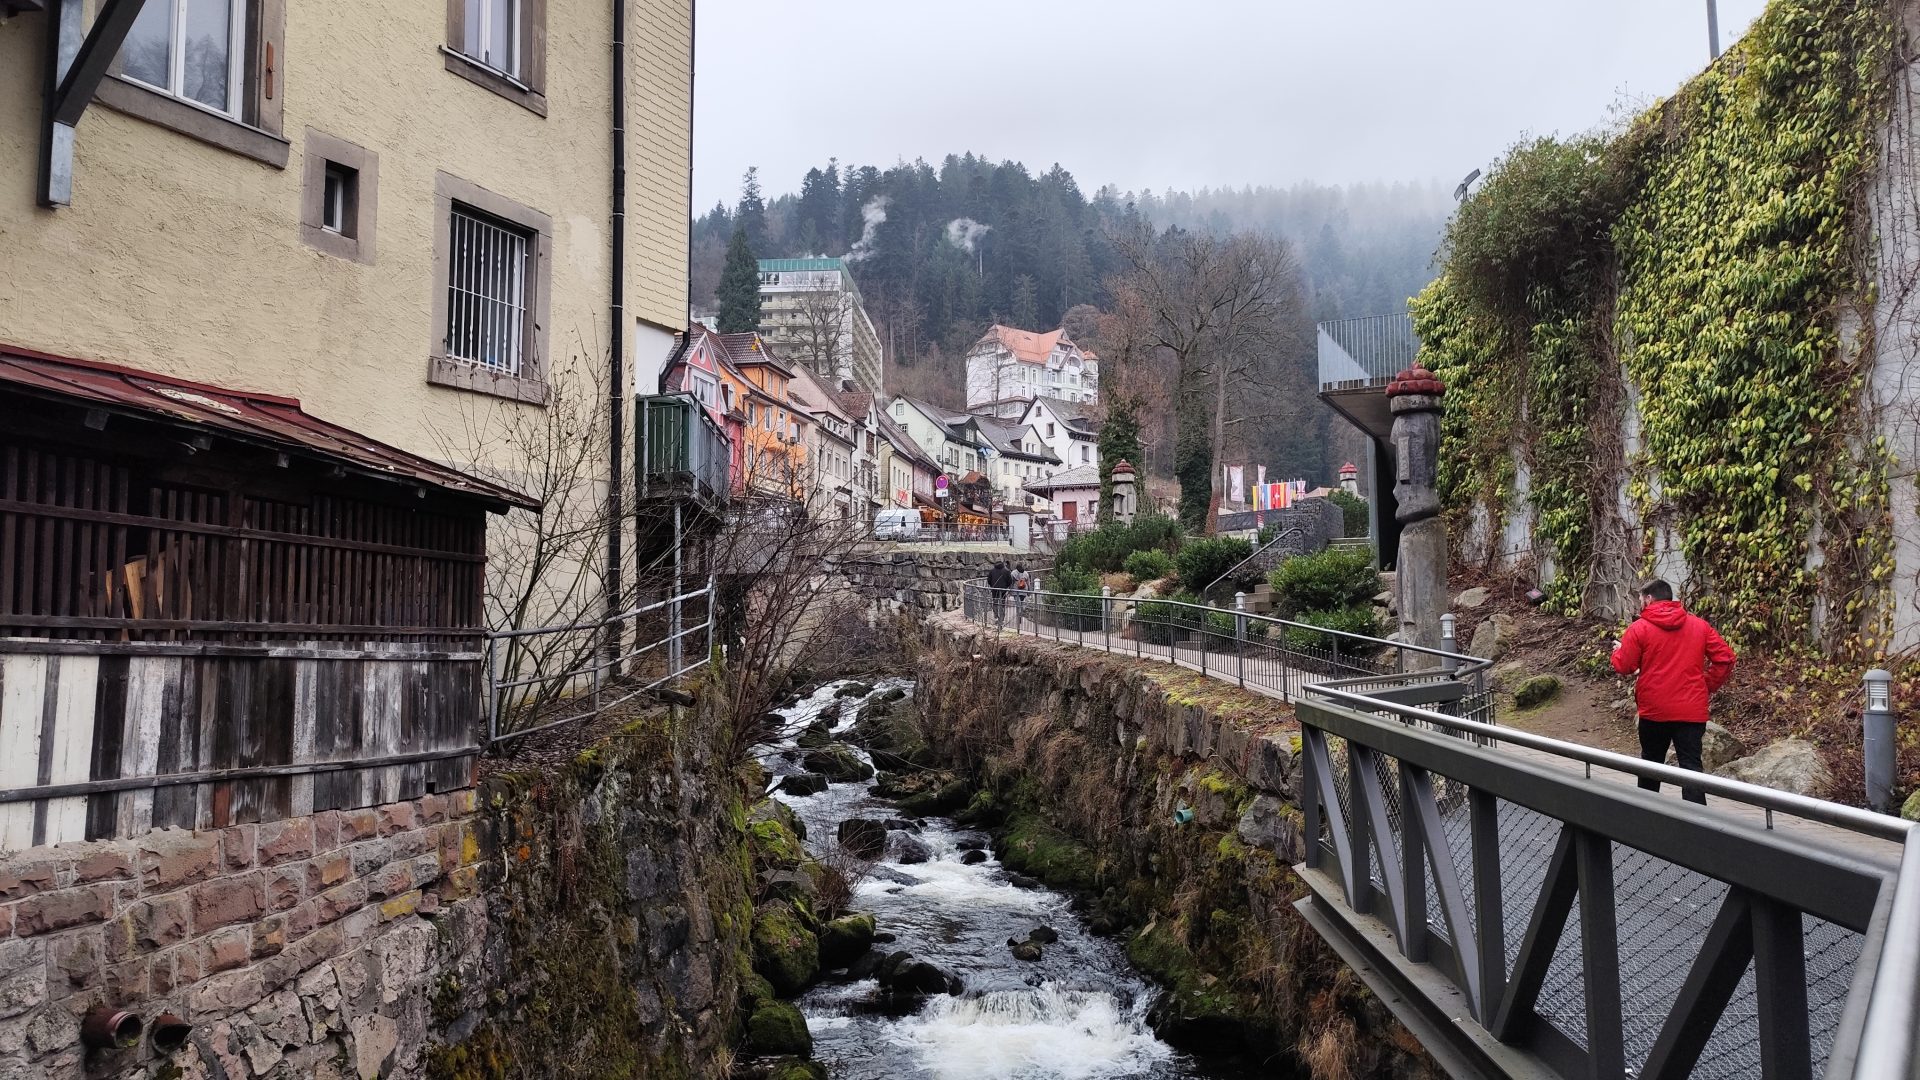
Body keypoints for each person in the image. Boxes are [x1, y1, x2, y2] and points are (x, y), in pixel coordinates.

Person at [1610, 579, 1736, 805]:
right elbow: (1725, 659)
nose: (1640, 604)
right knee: (1691, 767)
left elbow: (1624, 666)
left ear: (1649, 598)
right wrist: (1706, 685)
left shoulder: (1639, 628)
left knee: (1651, 764)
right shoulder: (1699, 626)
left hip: (1654, 710)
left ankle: (1647, 816)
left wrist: (1619, 652)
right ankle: (1696, 825)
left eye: (1640, 599)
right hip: (1691, 710)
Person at [987, 561, 1015, 627]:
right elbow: (1010, 581)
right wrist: (1006, 587)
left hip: (994, 589)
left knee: (995, 603)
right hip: (1003, 590)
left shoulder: (992, 571)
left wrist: (992, 585)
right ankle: (1001, 619)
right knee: (1002, 603)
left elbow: (989, 580)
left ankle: (996, 617)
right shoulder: (1006, 571)